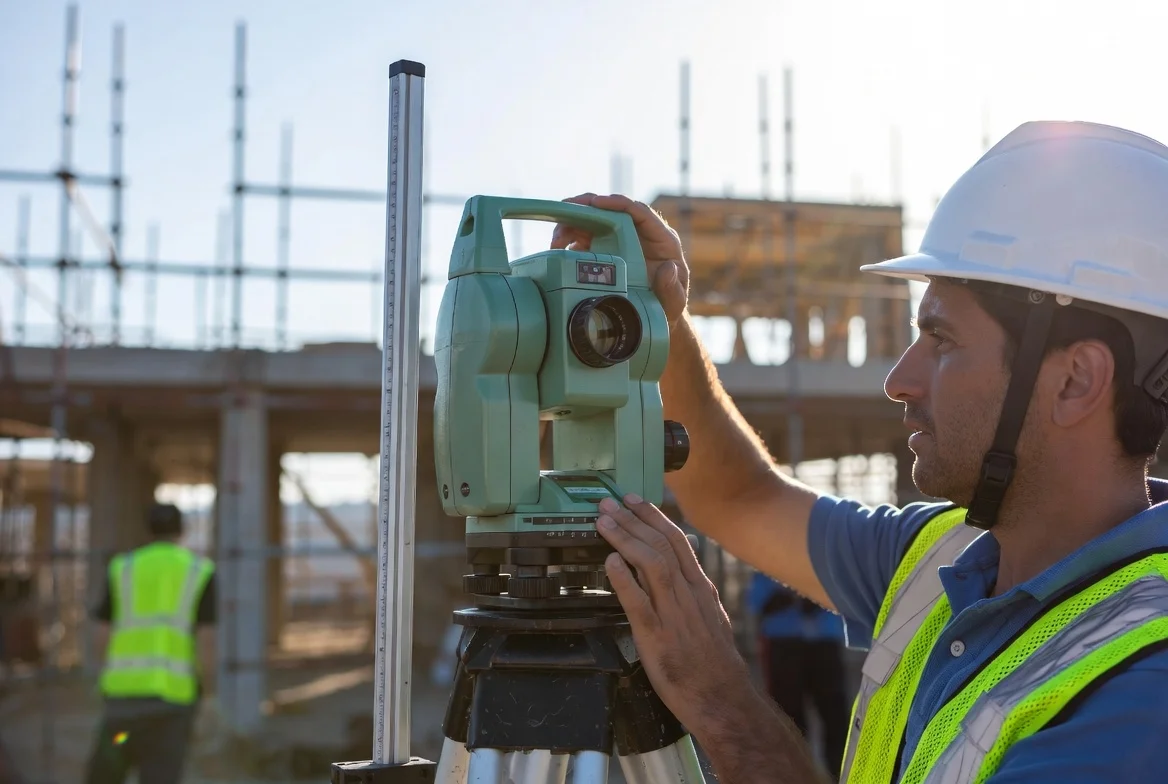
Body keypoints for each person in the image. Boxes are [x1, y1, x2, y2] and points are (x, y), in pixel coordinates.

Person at [550, 119, 1168, 783]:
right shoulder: (939, 560)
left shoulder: (1142, 698)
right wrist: (665, 324)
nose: (898, 379)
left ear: (1075, 381)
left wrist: (720, 699)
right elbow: (740, 495)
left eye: (943, 341)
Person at [84, 502, 217, 784]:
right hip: (173, 702)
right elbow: (206, 642)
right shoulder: (199, 570)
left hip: (123, 697)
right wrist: (208, 690)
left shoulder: (123, 568)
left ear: (148, 529)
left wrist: (100, 675)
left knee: (105, 775)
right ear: (182, 531)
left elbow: (102, 633)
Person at [746, 573, 849, 777]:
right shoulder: (769, 555)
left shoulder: (826, 550)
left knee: (836, 717)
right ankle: (793, 776)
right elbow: (756, 601)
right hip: (784, 644)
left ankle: (842, 775)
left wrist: (816, 598)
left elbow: (846, 593)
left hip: (824, 642)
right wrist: (786, 599)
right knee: (788, 720)